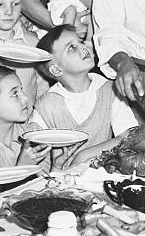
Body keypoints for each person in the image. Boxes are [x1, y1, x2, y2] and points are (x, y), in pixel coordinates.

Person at [34, 25, 138, 167]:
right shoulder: (46, 105)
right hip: (64, 183)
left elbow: (130, 135)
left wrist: (83, 155)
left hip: (103, 178)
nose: (83, 48)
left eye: (81, 42)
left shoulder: (110, 89)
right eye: (71, 48)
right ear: (56, 70)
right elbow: (37, 160)